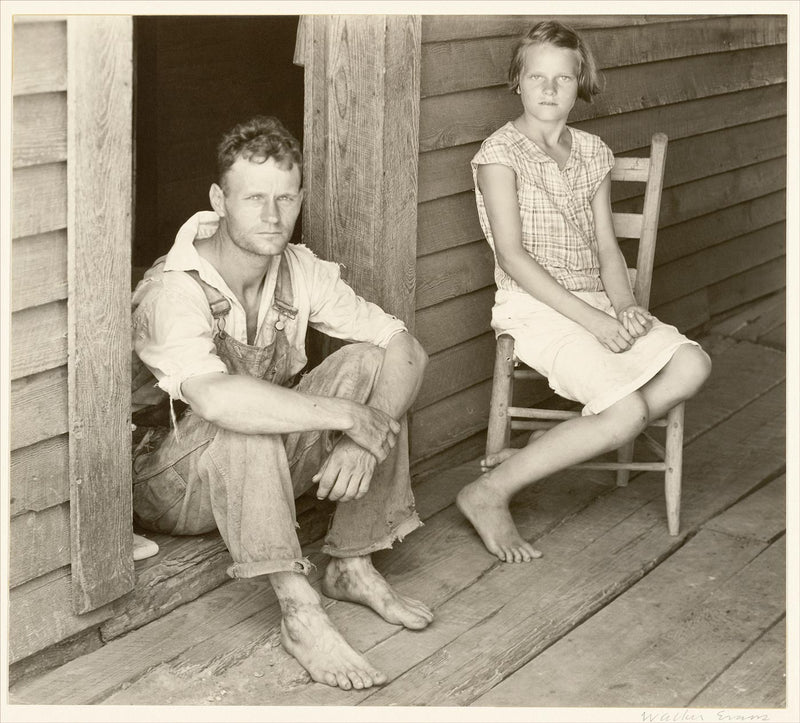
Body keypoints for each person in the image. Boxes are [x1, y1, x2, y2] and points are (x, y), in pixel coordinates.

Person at [130, 115, 433, 690]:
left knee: (372, 362)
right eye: (254, 198)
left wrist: (367, 439)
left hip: (262, 476)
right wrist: (350, 418)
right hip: (171, 484)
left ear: (299, 199)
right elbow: (217, 398)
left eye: (285, 198)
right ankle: (300, 611)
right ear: (220, 199)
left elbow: (406, 348)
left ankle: (351, 562)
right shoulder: (175, 288)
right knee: (242, 415)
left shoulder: (299, 269)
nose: (273, 216)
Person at [457, 21, 712, 564]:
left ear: (581, 83)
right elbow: (513, 257)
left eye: (563, 79)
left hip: (597, 301)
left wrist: (623, 307)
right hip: (534, 309)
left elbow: (604, 247)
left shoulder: (593, 152)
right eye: (537, 77)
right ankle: (488, 492)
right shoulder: (499, 155)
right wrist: (596, 324)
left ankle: (548, 446)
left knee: (692, 364)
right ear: (517, 82)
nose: (550, 90)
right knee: (624, 416)